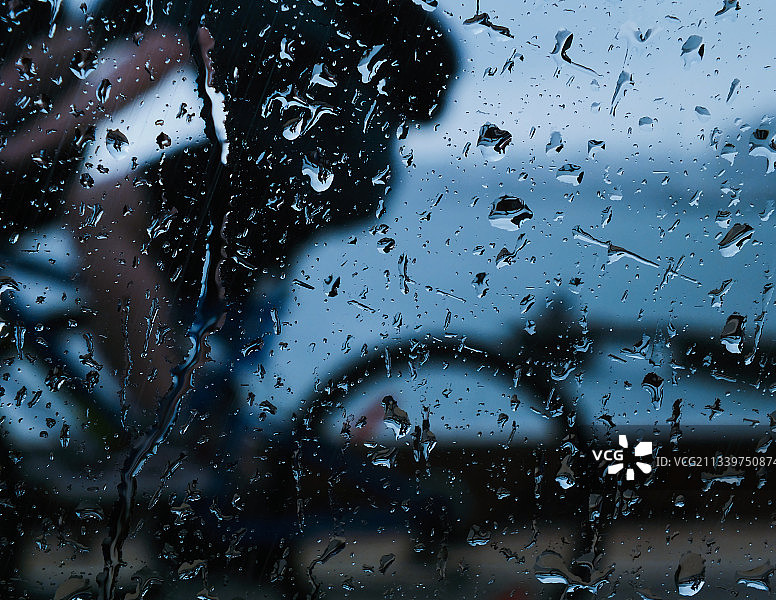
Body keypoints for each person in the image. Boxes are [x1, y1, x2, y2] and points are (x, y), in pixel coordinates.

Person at [0, 0, 455, 596]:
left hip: (302, 159)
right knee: (156, 287)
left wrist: (17, 150)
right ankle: (214, 452)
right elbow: (52, 56)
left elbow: (150, 62)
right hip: (328, 165)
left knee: (99, 209)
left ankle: (167, 432)